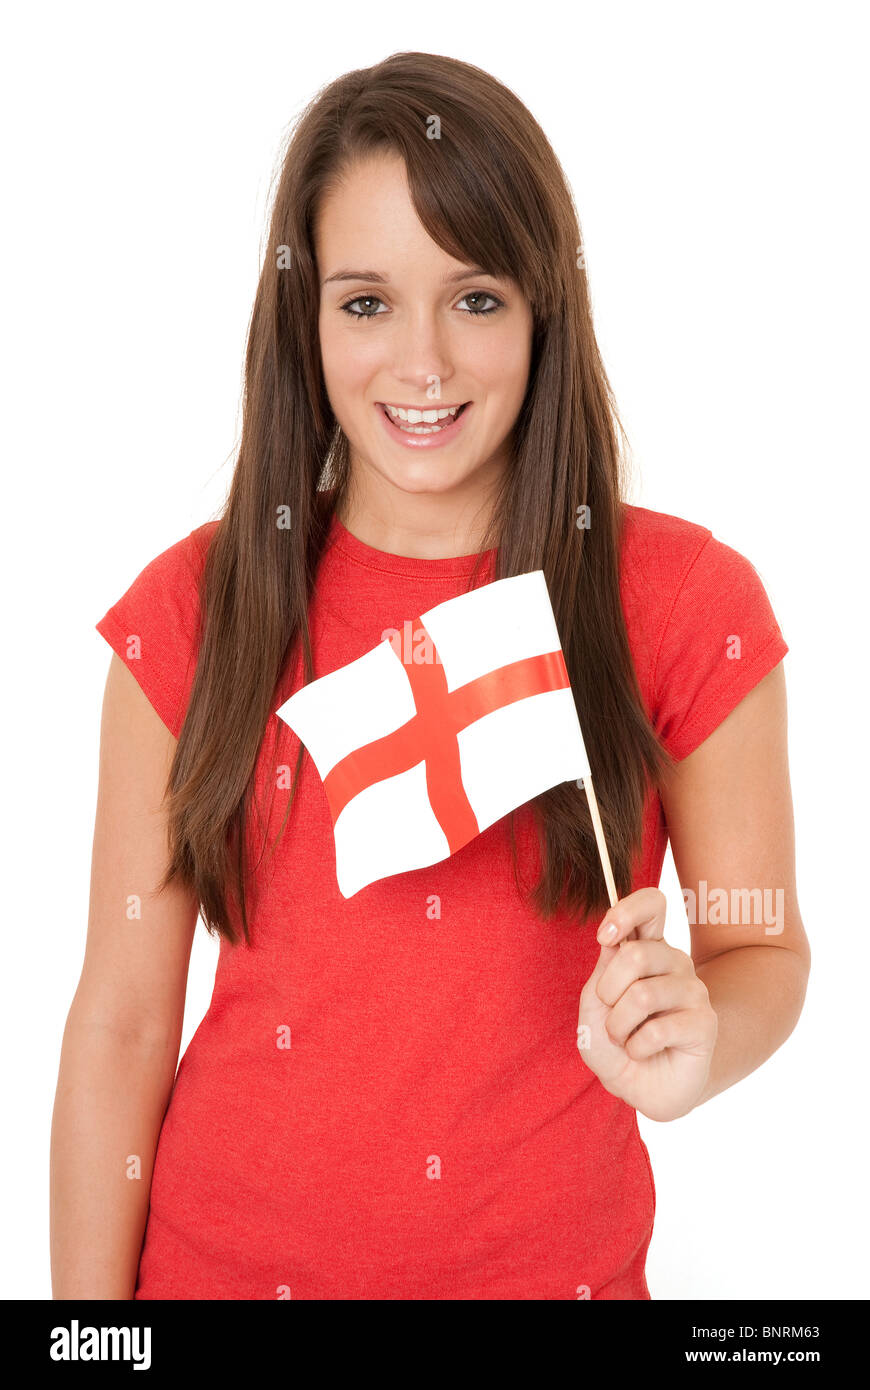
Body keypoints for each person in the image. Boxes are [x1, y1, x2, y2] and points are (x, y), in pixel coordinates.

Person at [50, 51, 809, 1301]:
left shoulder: (684, 604)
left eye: (475, 298)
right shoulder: (193, 611)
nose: (423, 365)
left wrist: (699, 1043)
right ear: (302, 319)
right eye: (365, 302)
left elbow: (761, 951)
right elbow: (123, 1022)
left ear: (543, 308)